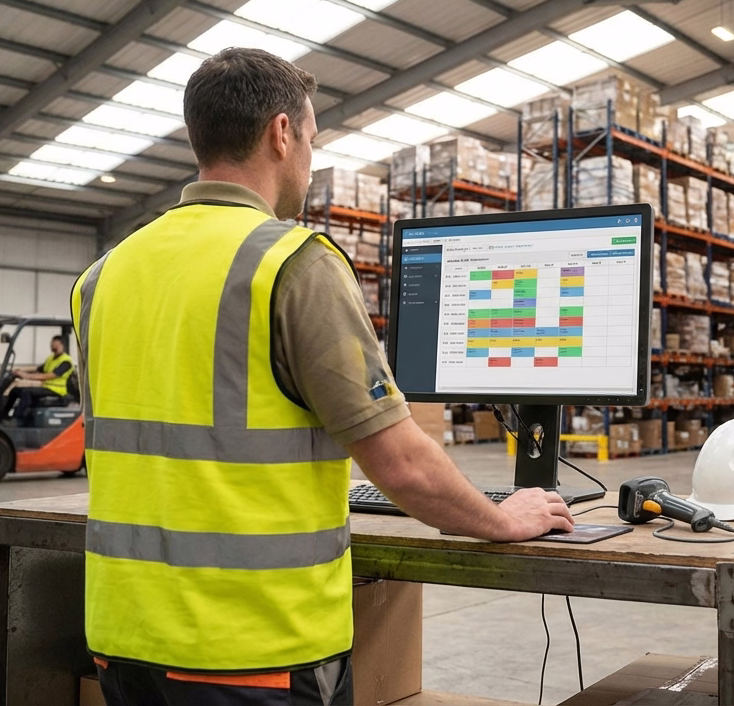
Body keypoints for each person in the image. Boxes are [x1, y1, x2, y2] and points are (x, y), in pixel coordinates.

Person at [71, 48, 574, 706]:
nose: (309, 158)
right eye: (311, 139)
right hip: (256, 650)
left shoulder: (103, 275)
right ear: (282, 134)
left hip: (124, 640)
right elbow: (401, 465)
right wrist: (504, 518)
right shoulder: (289, 263)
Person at [0, 335, 73, 425]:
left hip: (57, 391)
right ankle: (3, 415)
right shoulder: (51, 358)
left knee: (27, 392)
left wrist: (26, 376)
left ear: (62, 346)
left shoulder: (66, 361)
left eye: (56, 346)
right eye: (52, 345)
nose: (53, 348)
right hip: (47, 388)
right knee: (15, 390)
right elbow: (38, 371)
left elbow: (49, 376)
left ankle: (17, 420)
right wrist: (20, 372)